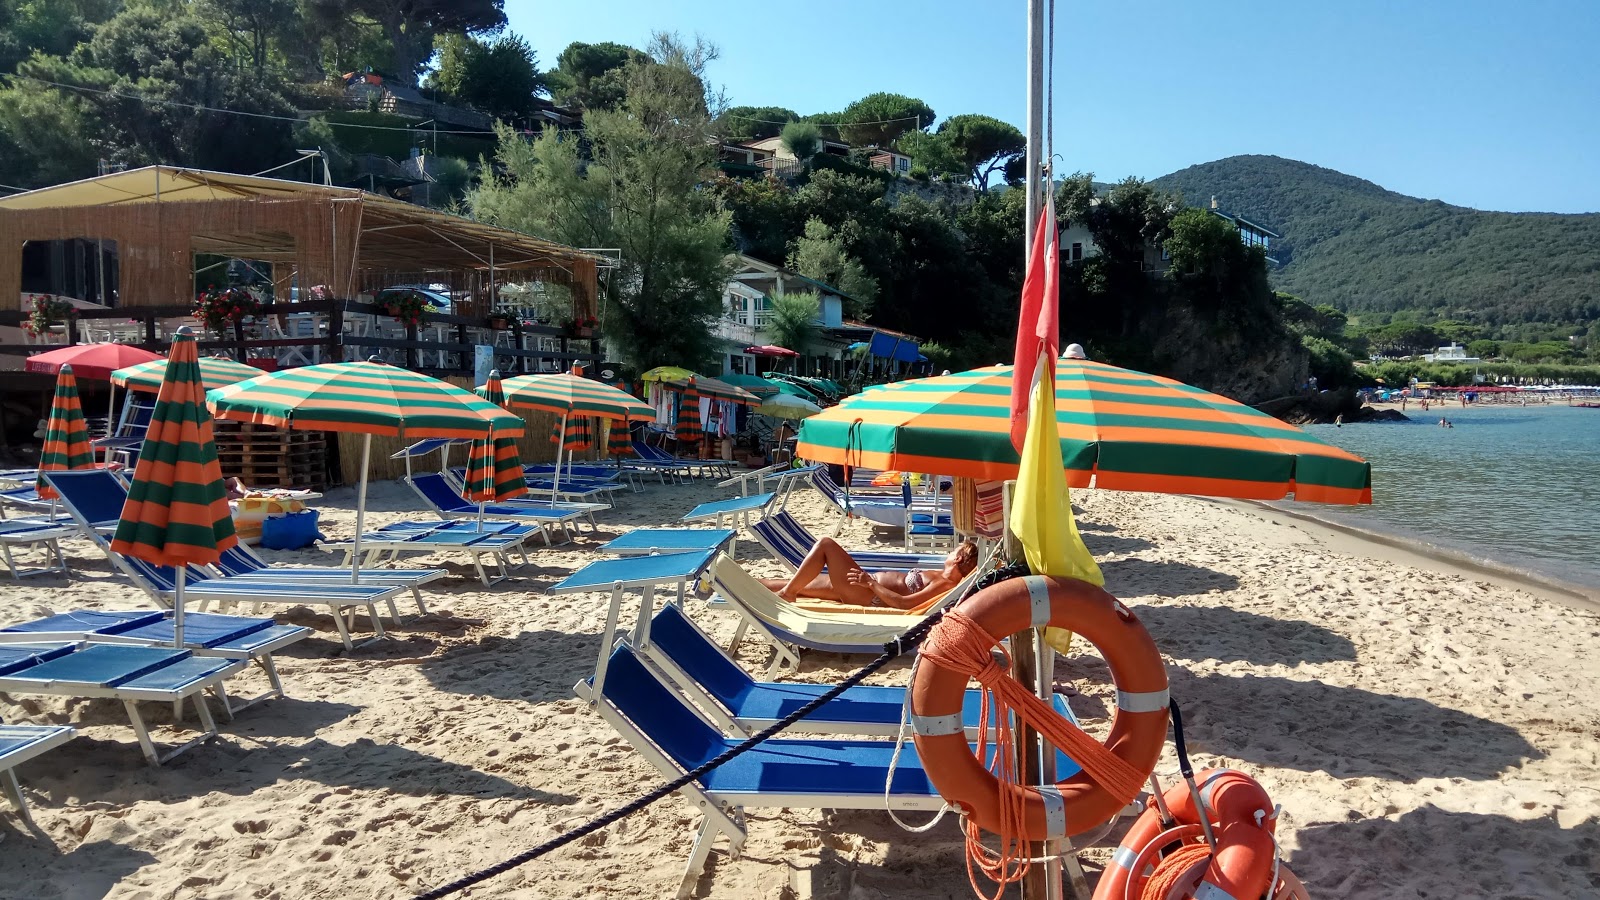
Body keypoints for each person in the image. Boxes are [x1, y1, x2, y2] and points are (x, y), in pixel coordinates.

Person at [761, 538, 979, 610]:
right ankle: (743, 585)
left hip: (867, 592)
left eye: (954, 550)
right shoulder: (941, 577)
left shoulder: (946, 584)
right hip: (862, 584)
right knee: (791, 584)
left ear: (958, 558)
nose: (949, 552)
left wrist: (871, 584)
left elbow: (905, 603)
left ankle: (788, 593)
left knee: (826, 545)